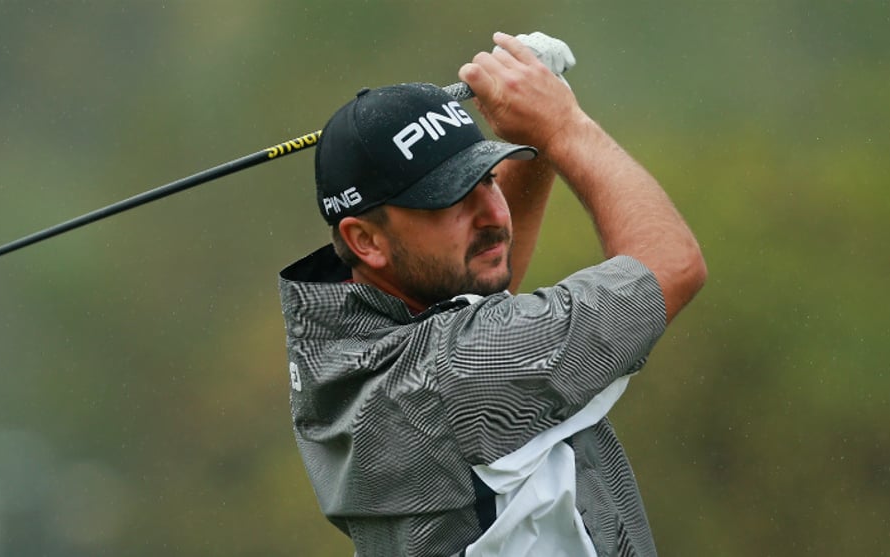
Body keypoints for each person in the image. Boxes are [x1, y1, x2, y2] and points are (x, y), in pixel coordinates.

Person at [278, 32, 706, 556]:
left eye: (486, 178)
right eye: (447, 199)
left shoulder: (338, 352)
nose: (494, 214)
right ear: (364, 240)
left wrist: (535, 138)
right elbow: (672, 265)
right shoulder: (460, 370)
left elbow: (476, 308)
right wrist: (562, 126)